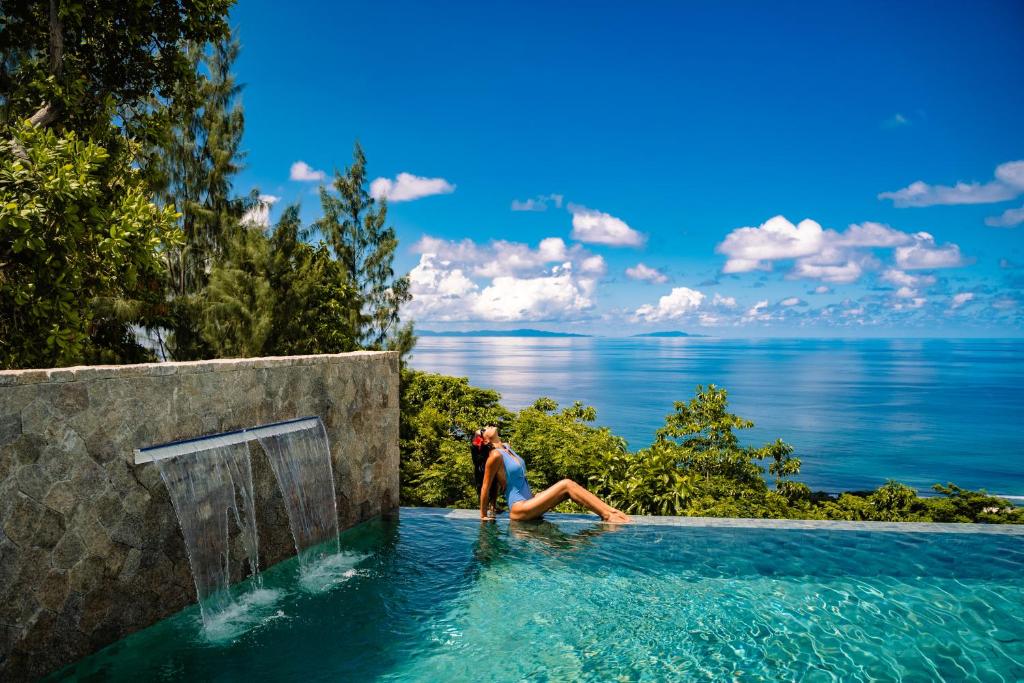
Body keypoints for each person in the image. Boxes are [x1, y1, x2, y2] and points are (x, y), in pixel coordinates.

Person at [477, 424, 630, 524]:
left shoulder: (506, 447)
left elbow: (498, 484)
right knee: (566, 484)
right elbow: (486, 486)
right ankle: (609, 516)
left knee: (568, 489)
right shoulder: (495, 456)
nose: (487, 426)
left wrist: (493, 506)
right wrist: (483, 515)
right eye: (483, 430)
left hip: (530, 501)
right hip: (520, 508)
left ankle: (611, 511)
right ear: (484, 441)